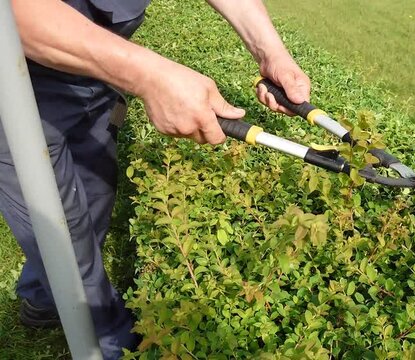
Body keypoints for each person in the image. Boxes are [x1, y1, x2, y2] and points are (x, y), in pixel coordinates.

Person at [1, 0, 311, 358]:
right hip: (10, 77)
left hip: (90, 67)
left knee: (94, 195)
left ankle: (42, 298)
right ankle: (110, 342)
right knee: (63, 233)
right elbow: (12, 13)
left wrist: (270, 50)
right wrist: (148, 76)